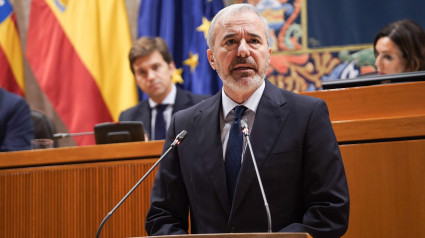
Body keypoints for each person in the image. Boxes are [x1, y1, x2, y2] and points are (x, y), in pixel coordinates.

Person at [145, 4, 349, 238]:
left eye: (254, 41)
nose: (243, 51)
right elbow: (162, 216)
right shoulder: (184, 125)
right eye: (230, 42)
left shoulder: (307, 115)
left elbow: (331, 209)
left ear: (268, 54)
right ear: (211, 58)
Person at [119, 37, 208, 140]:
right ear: (136, 79)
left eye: (156, 67)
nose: (150, 77)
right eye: (142, 72)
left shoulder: (202, 107)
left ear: (171, 68)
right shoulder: (128, 119)